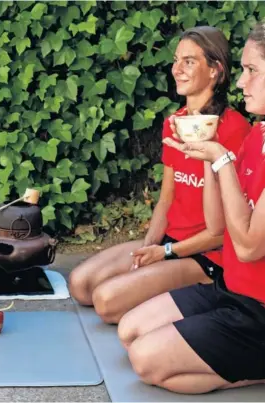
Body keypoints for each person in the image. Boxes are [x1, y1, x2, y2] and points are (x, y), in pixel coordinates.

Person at [119, 16, 265, 394]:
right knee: (130, 331)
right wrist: (208, 157)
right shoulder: (260, 134)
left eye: (251, 70)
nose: (241, 82)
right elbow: (219, 224)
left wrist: (222, 160)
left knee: (146, 362)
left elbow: (248, 244)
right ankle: (263, 364)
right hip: (233, 291)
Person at [68, 26, 251, 324]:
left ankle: (201, 298)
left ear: (216, 70)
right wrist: (148, 250)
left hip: (208, 255)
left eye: (189, 62)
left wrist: (166, 253)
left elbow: (224, 229)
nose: (177, 69)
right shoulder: (174, 123)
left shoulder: (236, 129)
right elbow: (166, 199)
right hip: (170, 241)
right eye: (176, 60)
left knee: (106, 301)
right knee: (81, 285)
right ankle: (158, 293)